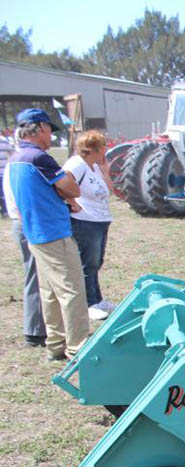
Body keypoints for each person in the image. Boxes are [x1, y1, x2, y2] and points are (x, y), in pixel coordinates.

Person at [7, 108, 89, 361]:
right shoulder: (40, 158)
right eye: (49, 131)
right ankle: (78, 348)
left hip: (34, 233)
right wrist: (66, 194)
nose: (51, 137)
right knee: (72, 290)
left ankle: (56, 344)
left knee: (50, 293)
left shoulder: (15, 158)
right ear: (40, 128)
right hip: (53, 232)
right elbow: (72, 189)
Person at [63, 131, 116, 321]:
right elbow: (62, 182)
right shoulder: (76, 164)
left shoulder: (93, 167)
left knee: (96, 262)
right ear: (93, 148)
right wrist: (72, 202)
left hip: (100, 220)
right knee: (87, 263)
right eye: (103, 146)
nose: (106, 150)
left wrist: (105, 170)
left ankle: (97, 299)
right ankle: (88, 304)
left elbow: (109, 189)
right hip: (85, 221)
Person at [3, 141, 47, 347]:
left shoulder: (14, 162)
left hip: (23, 222)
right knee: (36, 275)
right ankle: (35, 331)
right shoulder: (23, 163)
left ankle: (39, 327)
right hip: (28, 222)